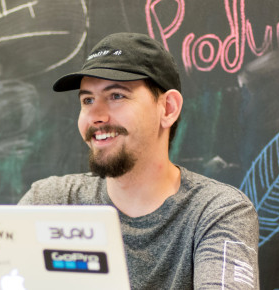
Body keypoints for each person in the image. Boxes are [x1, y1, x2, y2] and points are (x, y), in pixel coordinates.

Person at [18, 32, 259, 289]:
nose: (95, 116)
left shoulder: (216, 213)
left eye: (116, 96)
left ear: (168, 109)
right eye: (88, 100)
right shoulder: (50, 203)